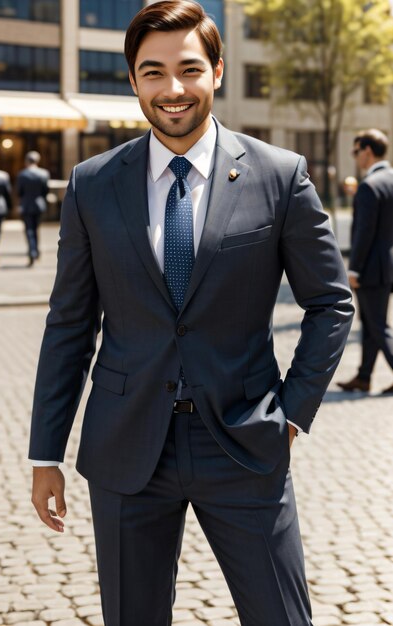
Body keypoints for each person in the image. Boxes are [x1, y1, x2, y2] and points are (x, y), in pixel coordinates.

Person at [29, 2, 354, 624]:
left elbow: (331, 302)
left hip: (242, 441)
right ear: (132, 80)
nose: (172, 90)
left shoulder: (280, 176)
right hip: (126, 449)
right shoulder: (92, 184)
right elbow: (69, 323)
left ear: (218, 72)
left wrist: (292, 412)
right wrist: (46, 453)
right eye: (153, 72)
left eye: (188, 69)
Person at [337, 128, 393, 394]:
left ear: (367, 151)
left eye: (356, 151)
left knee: (377, 325)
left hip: (370, 268)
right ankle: (363, 376)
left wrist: (354, 269)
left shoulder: (370, 186)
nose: (355, 156)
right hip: (387, 266)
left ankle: (364, 376)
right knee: (372, 323)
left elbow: (363, 233)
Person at [17, 151, 50, 267]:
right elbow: (45, 191)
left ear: (26, 161)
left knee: (29, 230)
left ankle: (32, 251)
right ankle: (36, 250)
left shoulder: (22, 174)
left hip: (26, 205)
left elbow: (19, 192)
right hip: (39, 205)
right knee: (36, 229)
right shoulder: (44, 173)